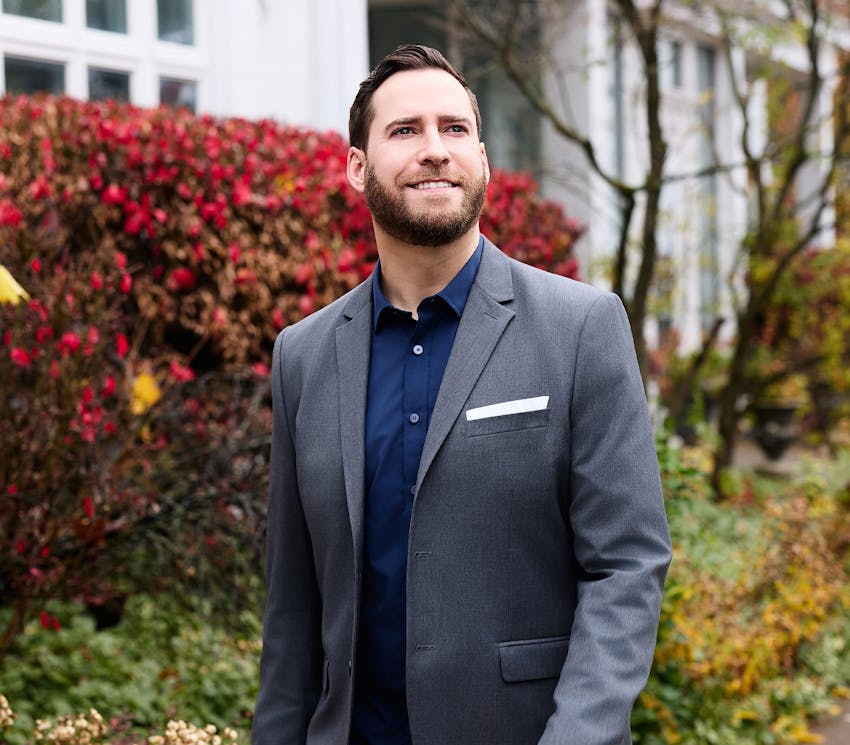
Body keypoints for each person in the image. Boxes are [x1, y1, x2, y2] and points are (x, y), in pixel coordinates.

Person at [252, 44, 672, 745]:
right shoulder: (304, 354)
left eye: (454, 129)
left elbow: (626, 565)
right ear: (358, 167)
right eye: (404, 130)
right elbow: (293, 603)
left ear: (480, 158)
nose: (434, 149)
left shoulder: (581, 328)